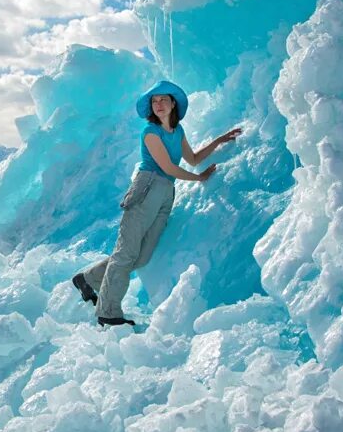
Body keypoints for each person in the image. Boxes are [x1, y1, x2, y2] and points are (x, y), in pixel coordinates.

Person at [72, 80, 243, 326]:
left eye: (164, 99)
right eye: (155, 101)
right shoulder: (150, 132)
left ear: (173, 103)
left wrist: (219, 140)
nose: (159, 104)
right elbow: (168, 166)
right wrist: (199, 178)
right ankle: (107, 313)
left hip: (166, 192)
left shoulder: (178, 130)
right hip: (148, 186)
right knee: (126, 253)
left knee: (140, 258)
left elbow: (192, 158)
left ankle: (87, 280)